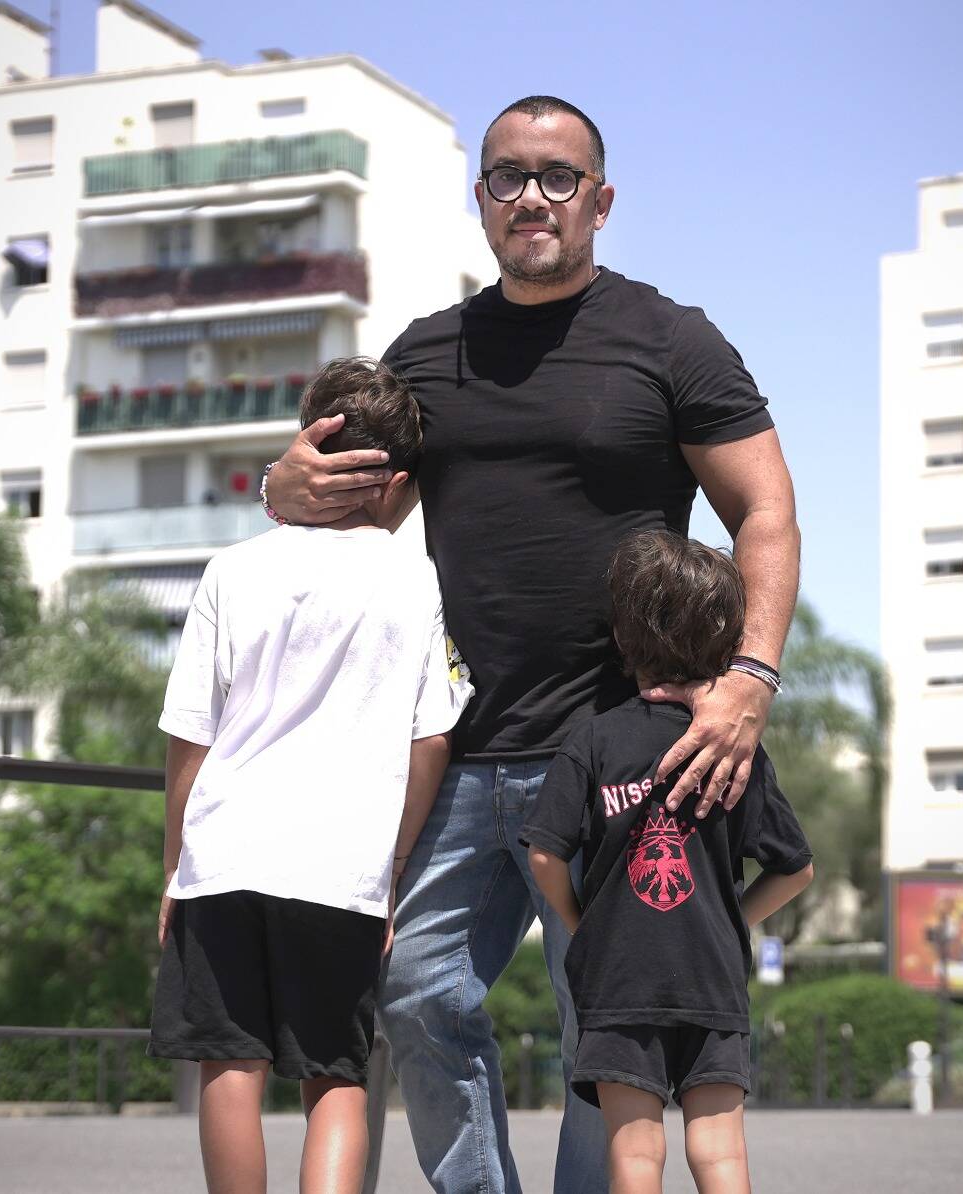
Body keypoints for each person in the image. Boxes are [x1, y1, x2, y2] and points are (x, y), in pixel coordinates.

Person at [262, 94, 800, 1193]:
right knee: (418, 992)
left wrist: (748, 676)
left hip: (623, 755)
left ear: (600, 200)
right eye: (506, 177)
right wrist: (280, 486)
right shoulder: (426, 354)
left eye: (557, 178)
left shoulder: (670, 341)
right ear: (481, 203)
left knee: (607, 1031)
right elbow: (348, 507)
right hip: (456, 748)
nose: (531, 198)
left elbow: (766, 514)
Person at [149, 357, 474, 1194]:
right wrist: (395, 869)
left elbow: (190, 739)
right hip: (342, 868)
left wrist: (173, 868)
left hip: (223, 853)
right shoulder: (416, 579)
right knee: (335, 1075)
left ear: (308, 447)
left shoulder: (233, 570)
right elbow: (431, 738)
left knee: (229, 1065)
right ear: (397, 482)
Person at [523, 529, 812, 1194]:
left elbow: (544, 852)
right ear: (730, 639)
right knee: (720, 1153)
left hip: (618, 978)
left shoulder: (593, 740)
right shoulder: (737, 752)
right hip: (712, 976)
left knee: (636, 1155)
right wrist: (731, 918)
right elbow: (797, 869)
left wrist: (580, 920)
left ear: (623, 640)